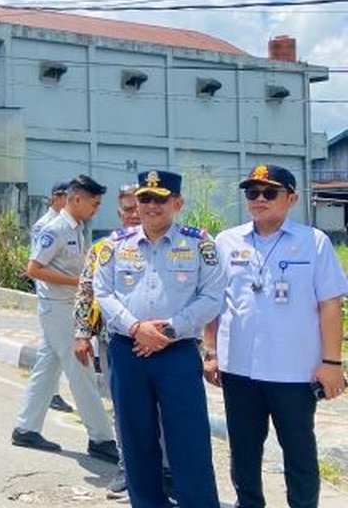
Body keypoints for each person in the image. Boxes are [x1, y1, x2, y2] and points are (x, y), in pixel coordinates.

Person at [205, 164, 348, 508]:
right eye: (252, 193)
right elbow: (214, 302)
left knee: (299, 452)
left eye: (269, 192)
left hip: (293, 371)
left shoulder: (313, 242)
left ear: (292, 199)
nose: (259, 199)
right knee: (243, 452)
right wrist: (210, 351)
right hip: (239, 368)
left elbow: (330, 304)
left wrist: (331, 363)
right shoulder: (227, 242)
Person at [93, 169, 225, 508]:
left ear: (177, 203)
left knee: (188, 437)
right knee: (136, 436)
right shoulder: (115, 244)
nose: (151, 206)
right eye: (145, 198)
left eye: (160, 199)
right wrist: (137, 328)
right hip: (128, 350)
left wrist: (168, 330)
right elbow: (102, 292)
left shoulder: (199, 244)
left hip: (177, 353)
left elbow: (212, 297)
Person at [11, 175, 118, 461]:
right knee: (81, 370)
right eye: (94, 203)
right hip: (58, 308)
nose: (96, 209)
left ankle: (26, 428)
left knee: (47, 368)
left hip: (66, 306)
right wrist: (79, 282)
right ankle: (101, 438)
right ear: (76, 199)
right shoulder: (55, 228)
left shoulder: (76, 228)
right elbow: (34, 269)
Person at [73, 183, 141, 498]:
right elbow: (86, 291)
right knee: (123, 409)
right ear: (119, 212)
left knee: (161, 411)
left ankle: (166, 471)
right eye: (127, 209)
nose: (134, 214)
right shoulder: (105, 248)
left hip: (160, 343)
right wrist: (81, 333)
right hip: (114, 341)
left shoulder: (170, 246)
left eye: (139, 207)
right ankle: (128, 470)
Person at [33, 180, 75, 414]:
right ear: (57, 198)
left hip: (64, 297)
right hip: (51, 297)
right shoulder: (46, 226)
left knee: (49, 352)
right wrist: (76, 282)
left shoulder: (70, 225)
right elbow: (37, 265)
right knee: (62, 351)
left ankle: (45, 397)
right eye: (67, 197)